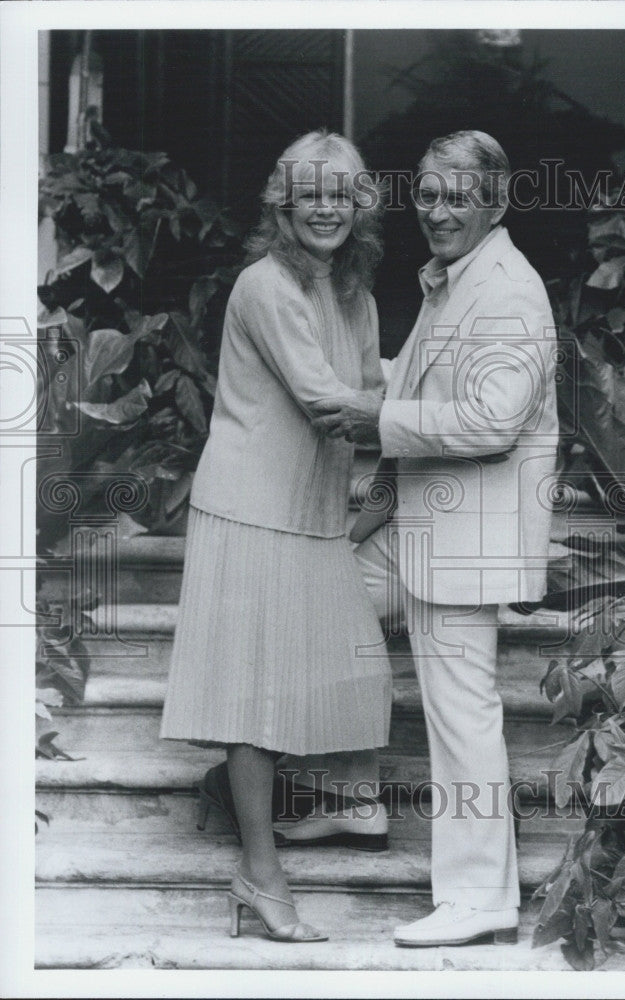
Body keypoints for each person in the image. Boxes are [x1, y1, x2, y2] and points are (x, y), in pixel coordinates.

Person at [297, 130, 560, 947]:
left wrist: (375, 413)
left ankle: (482, 899)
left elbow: (491, 419)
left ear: (495, 204)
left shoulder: (509, 289)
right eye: (429, 194)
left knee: (461, 714)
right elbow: (405, 381)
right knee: (319, 604)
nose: (438, 212)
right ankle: (352, 793)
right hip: (416, 520)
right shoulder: (453, 280)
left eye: (457, 197)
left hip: (466, 534)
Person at [159, 131, 392, 943]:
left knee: (349, 671)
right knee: (253, 703)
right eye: (310, 194)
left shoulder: (355, 292)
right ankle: (260, 876)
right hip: (249, 507)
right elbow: (329, 398)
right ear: (283, 205)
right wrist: (441, 400)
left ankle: (344, 806)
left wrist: (400, 391)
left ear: (360, 204)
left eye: (342, 194)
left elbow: (365, 388)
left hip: (314, 508)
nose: (326, 208)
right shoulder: (263, 284)